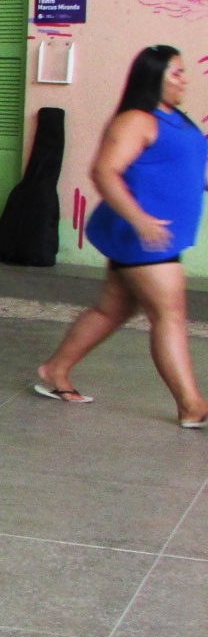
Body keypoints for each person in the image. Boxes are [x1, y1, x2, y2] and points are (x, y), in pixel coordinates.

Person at [36, 45, 208, 425]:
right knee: (169, 314)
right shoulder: (136, 120)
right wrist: (140, 220)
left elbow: (194, 169)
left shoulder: (176, 119)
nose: (184, 80)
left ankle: (54, 369)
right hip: (143, 236)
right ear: (154, 77)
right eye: (176, 73)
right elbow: (104, 171)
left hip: (160, 235)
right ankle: (191, 405)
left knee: (112, 309)